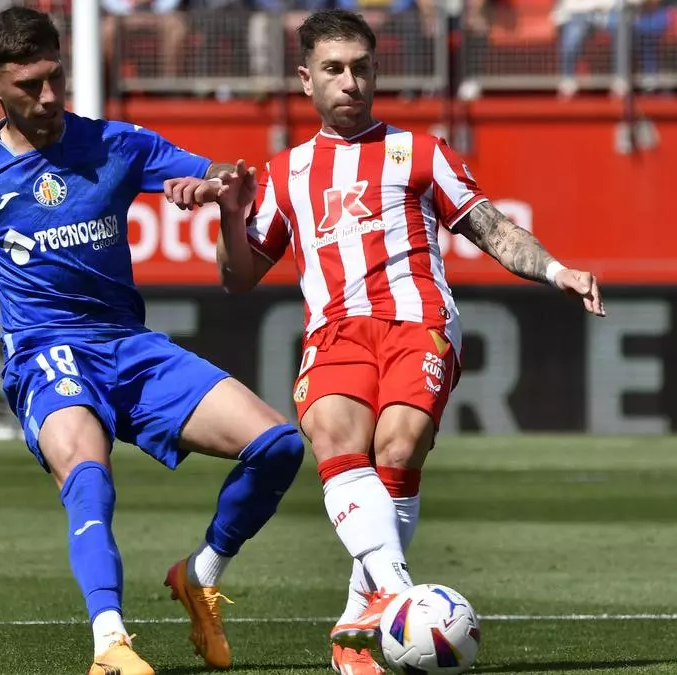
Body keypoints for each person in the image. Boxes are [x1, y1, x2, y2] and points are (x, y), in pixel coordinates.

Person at [0, 8, 305, 675]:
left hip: (128, 346)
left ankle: (199, 574)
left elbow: (228, 174)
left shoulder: (116, 144)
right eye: (30, 84)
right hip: (45, 355)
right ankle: (109, 642)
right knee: (89, 475)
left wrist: (207, 188)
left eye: (56, 76)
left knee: (279, 445)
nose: (51, 96)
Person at [212, 9, 606, 673]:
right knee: (336, 434)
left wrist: (556, 268)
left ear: (376, 72)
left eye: (361, 68)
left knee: (396, 448)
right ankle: (398, 597)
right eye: (334, 70)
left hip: (418, 323)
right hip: (335, 328)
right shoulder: (287, 172)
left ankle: (355, 621)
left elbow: (491, 227)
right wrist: (230, 212)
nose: (350, 82)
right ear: (305, 79)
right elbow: (240, 275)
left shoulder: (418, 152)